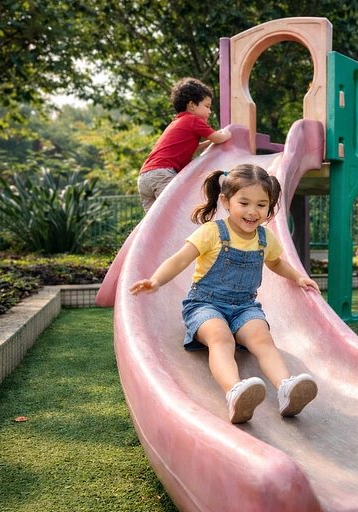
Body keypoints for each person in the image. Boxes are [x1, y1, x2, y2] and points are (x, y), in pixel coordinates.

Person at [130, 164, 320, 423]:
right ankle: (234, 391)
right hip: (205, 305)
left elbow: (275, 262)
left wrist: (298, 276)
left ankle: (286, 387)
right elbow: (180, 260)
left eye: (262, 205)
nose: (253, 211)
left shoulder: (265, 238)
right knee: (221, 338)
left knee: (261, 338)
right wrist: (155, 280)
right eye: (244, 202)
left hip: (244, 306)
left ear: (269, 207)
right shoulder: (212, 232)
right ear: (226, 201)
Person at [137, 77, 232, 214]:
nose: (209, 112)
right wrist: (228, 132)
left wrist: (207, 143)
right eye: (207, 106)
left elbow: (192, 147)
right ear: (192, 105)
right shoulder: (194, 120)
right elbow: (218, 138)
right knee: (175, 215)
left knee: (154, 223)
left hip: (145, 176)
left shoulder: (178, 122)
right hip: (162, 174)